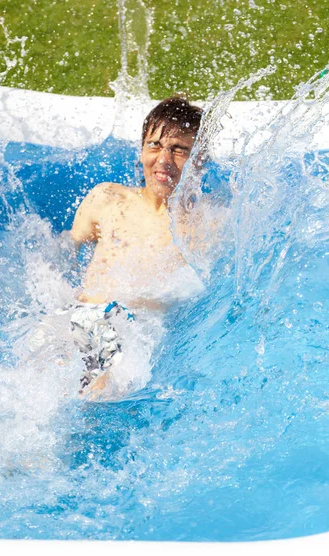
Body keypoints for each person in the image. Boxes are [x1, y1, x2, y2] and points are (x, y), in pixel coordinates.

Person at [70, 96, 204, 398]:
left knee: (96, 394)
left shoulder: (204, 226)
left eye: (179, 150)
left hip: (132, 340)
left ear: (199, 161)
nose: (164, 160)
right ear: (142, 150)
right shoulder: (105, 199)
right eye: (154, 145)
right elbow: (68, 249)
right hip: (75, 321)